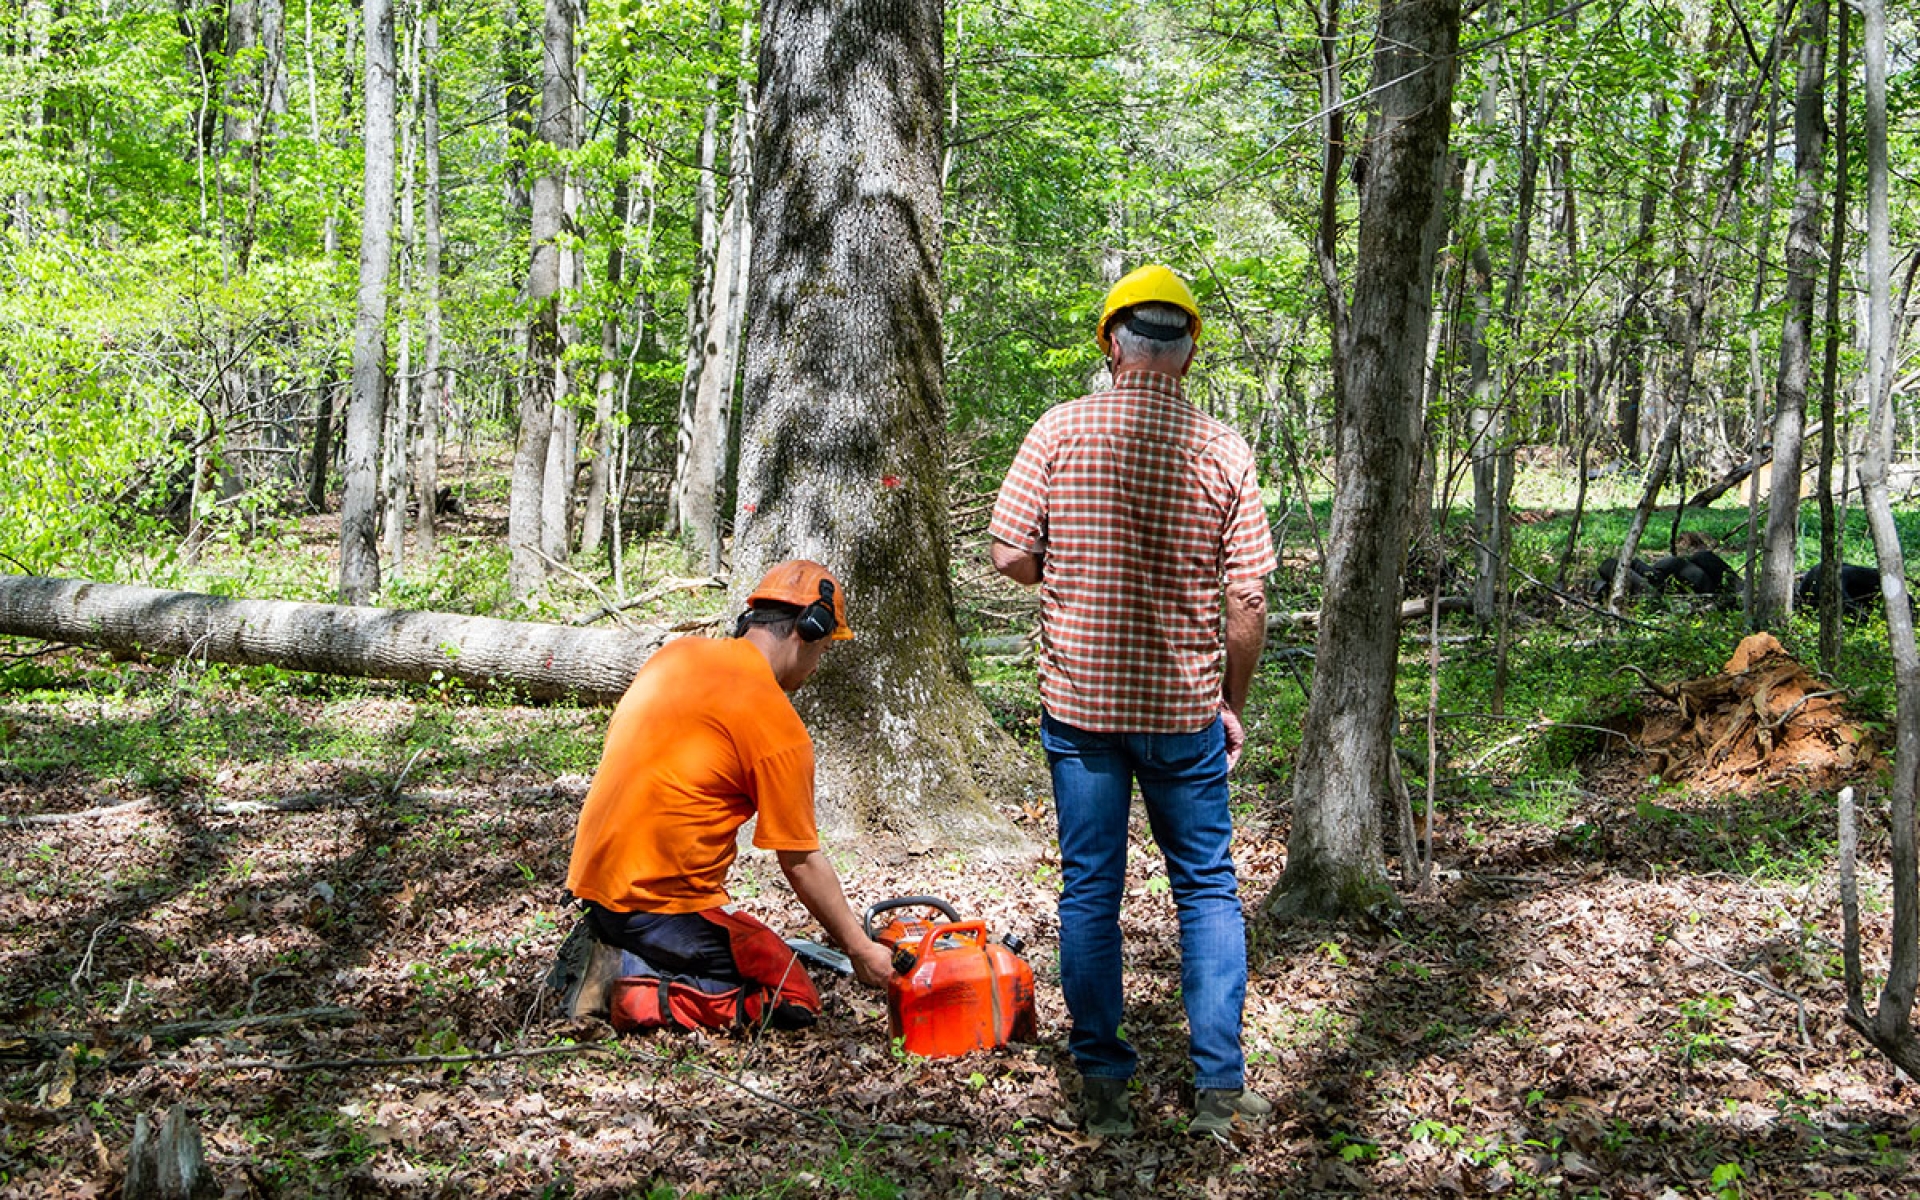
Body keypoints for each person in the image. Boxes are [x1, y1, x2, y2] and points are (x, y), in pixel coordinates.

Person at [989, 264, 1277, 1141]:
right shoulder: (1224, 449)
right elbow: (1250, 602)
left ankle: (1105, 1084)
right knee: (1206, 892)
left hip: (1081, 710)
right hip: (1184, 713)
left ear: (1113, 344)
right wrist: (1231, 700)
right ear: (1187, 356)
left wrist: (1061, 572)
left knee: (1090, 891)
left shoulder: (1058, 432)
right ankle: (1219, 1091)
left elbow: (1007, 553)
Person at [562, 559, 896, 1022]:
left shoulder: (675, 655)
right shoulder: (776, 724)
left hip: (595, 890)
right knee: (791, 995)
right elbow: (799, 861)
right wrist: (860, 949)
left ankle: (618, 947)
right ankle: (619, 980)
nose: (816, 667)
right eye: (823, 652)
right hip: (657, 907)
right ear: (810, 630)